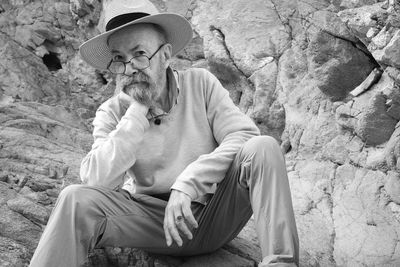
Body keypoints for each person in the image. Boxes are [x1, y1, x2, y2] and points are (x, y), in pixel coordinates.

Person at [29, 0, 299, 266]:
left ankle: (282, 263)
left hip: (214, 214)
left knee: (263, 147)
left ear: (166, 54)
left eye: (139, 54)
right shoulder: (110, 112)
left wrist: (189, 183)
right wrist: (137, 111)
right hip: (152, 224)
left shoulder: (200, 83)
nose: (130, 66)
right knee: (74, 198)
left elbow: (244, 136)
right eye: (119, 59)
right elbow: (95, 182)